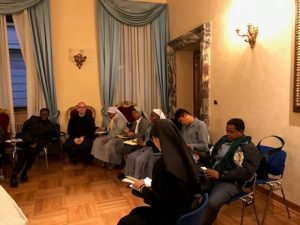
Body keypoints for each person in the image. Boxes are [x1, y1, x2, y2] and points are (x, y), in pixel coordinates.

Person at [118, 119, 201, 225]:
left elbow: (158, 202)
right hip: (187, 210)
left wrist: (142, 187)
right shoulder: (187, 155)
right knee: (136, 212)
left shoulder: (163, 163)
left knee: (125, 221)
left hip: (169, 216)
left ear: (157, 139)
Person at [198, 118, 260, 225]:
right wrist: (199, 156)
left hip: (231, 181)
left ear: (241, 132)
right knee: (191, 186)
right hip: (213, 173)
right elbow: (211, 153)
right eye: (227, 131)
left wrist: (221, 175)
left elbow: (246, 172)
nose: (228, 134)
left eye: (231, 132)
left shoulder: (248, 148)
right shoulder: (224, 141)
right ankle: (192, 217)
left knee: (212, 203)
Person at [10, 108, 56, 188]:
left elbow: (47, 139)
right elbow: (25, 126)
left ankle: (24, 172)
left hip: (37, 144)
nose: (43, 115)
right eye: (42, 113)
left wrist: (37, 143)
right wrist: (26, 137)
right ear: (40, 114)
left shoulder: (50, 126)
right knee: (22, 157)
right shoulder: (33, 118)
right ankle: (14, 176)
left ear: (48, 115)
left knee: (31, 156)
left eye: (45, 114)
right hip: (26, 142)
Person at [123, 108, 165, 179]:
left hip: (154, 149)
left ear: (159, 117)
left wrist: (144, 143)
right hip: (146, 147)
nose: (151, 118)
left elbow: (158, 142)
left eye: (153, 116)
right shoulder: (151, 125)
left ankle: (138, 179)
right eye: (150, 116)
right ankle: (129, 177)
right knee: (131, 156)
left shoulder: (161, 127)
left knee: (139, 160)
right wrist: (142, 141)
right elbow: (146, 136)